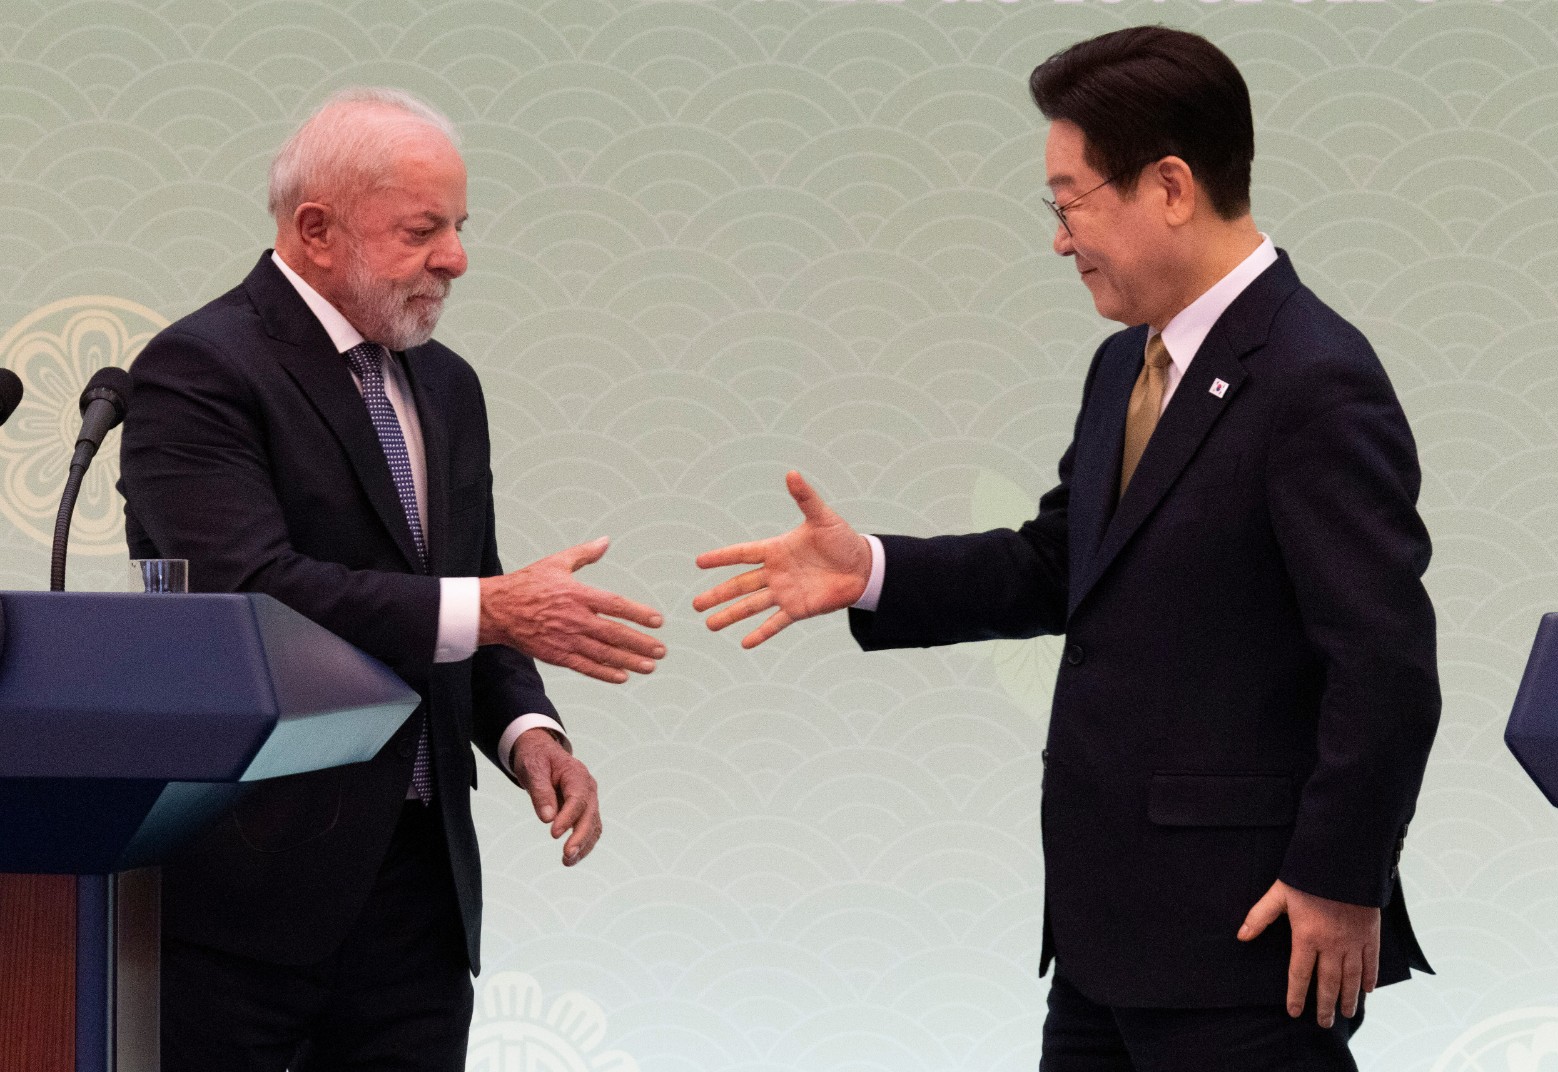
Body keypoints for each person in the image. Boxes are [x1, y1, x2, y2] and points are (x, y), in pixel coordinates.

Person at [694, 26, 1439, 1072]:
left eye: (1069, 201)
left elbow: (1385, 663)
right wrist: (872, 570)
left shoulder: (1315, 377)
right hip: (1105, 941)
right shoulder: (1122, 366)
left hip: (1249, 941)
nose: (1058, 239)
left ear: (1169, 186)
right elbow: (1063, 563)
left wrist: (1339, 876)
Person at [119, 88, 667, 1072]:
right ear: (316, 230)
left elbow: (468, 593)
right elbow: (253, 588)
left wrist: (527, 731)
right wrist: (492, 609)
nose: (456, 258)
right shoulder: (198, 370)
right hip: (249, 892)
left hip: (418, 890)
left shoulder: (446, 383)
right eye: (423, 231)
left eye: (459, 227)